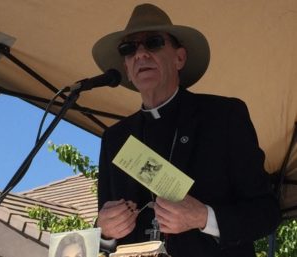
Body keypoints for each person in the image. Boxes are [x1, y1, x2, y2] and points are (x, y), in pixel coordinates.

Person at [92, 3, 280, 257]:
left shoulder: (223, 117)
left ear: (179, 58)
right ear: (126, 68)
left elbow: (266, 213)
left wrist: (204, 217)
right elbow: (104, 242)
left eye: (153, 43)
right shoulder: (115, 139)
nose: (140, 54)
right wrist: (104, 232)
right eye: (129, 49)